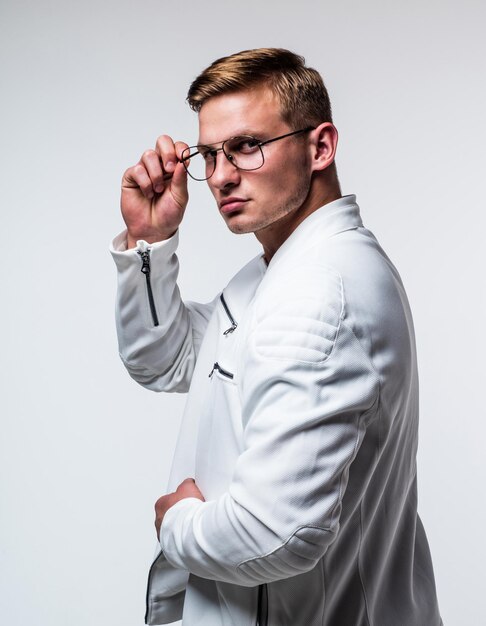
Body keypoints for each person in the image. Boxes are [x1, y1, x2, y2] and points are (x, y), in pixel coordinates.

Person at [110, 48, 442, 626]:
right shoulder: (276, 272)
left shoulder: (319, 293)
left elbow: (277, 532)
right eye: (209, 154)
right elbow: (166, 361)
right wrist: (150, 240)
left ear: (320, 147)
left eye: (245, 146)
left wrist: (176, 522)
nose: (220, 176)